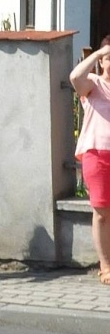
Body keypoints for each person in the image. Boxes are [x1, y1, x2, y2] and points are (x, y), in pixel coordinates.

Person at [70, 36, 110, 286]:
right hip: (98, 155)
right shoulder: (94, 84)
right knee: (103, 214)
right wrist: (97, 54)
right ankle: (105, 265)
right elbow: (75, 78)